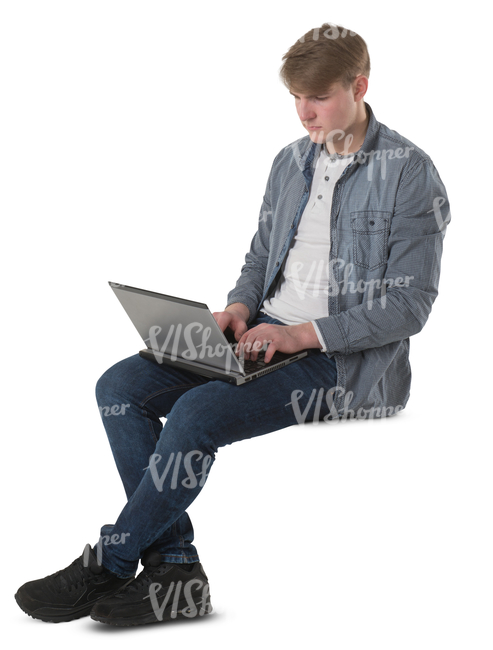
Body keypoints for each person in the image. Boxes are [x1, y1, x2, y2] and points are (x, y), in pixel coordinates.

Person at [15, 22, 450, 626]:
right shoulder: (291, 161)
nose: (304, 112)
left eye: (318, 97)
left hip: (340, 361)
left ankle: (111, 564)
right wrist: (239, 311)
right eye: (296, 97)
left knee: (196, 413)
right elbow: (259, 258)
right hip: (262, 332)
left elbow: (411, 307)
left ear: (359, 85)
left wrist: (297, 335)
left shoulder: (410, 173)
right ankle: (175, 568)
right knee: (118, 388)